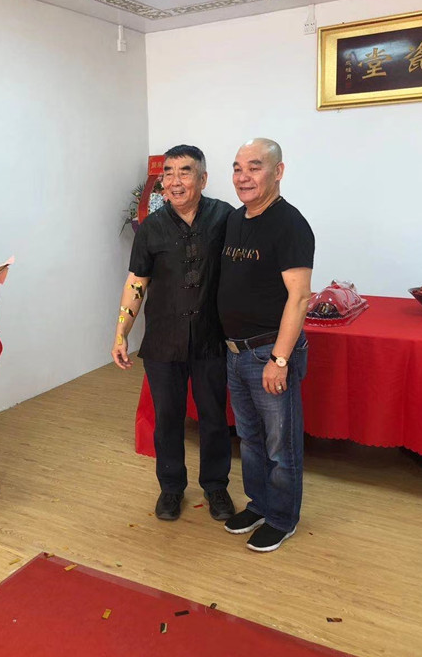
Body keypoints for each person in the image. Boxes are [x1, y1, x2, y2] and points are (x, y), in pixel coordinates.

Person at [112, 145, 235, 522]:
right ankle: (170, 487)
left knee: (214, 418)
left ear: (203, 178)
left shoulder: (225, 218)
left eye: (185, 172)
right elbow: (137, 281)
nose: (175, 181)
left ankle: (216, 486)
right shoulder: (151, 227)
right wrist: (121, 332)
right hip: (164, 339)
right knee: (167, 418)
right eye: (168, 172)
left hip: (212, 338)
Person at [217, 138, 314, 552]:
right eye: (237, 168)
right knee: (250, 439)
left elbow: (299, 297)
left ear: (278, 172)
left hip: (268, 353)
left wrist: (280, 359)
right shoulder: (235, 219)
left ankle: (282, 518)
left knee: (280, 444)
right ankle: (259, 504)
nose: (243, 177)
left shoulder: (289, 224)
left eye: (254, 167)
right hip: (236, 353)